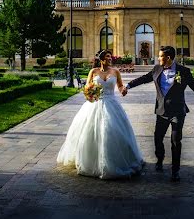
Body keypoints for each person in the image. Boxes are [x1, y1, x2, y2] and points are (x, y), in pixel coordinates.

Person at [120, 45, 194, 182]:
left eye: (160, 56)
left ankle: (175, 171)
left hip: (178, 111)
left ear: (168, 58)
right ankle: (160, 158)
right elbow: (144, 78)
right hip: (161, 111)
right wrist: (128, 86)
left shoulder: (183, 71)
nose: (158, 58)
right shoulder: (157, 69)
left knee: (176, 141)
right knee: (158, 138)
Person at [56, 49, 144, 179]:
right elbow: (87, 88)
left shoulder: (115, 72)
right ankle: (91, 162)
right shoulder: (94, 71)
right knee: (90, 131)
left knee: (110, 130)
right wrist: (90, 94)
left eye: (110, 57)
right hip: (95, 104)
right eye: (108, 56)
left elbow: (120, 86)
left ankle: (114, 161)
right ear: (102, 59)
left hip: (111, 104)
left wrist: (123, 90)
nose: (110, 58)